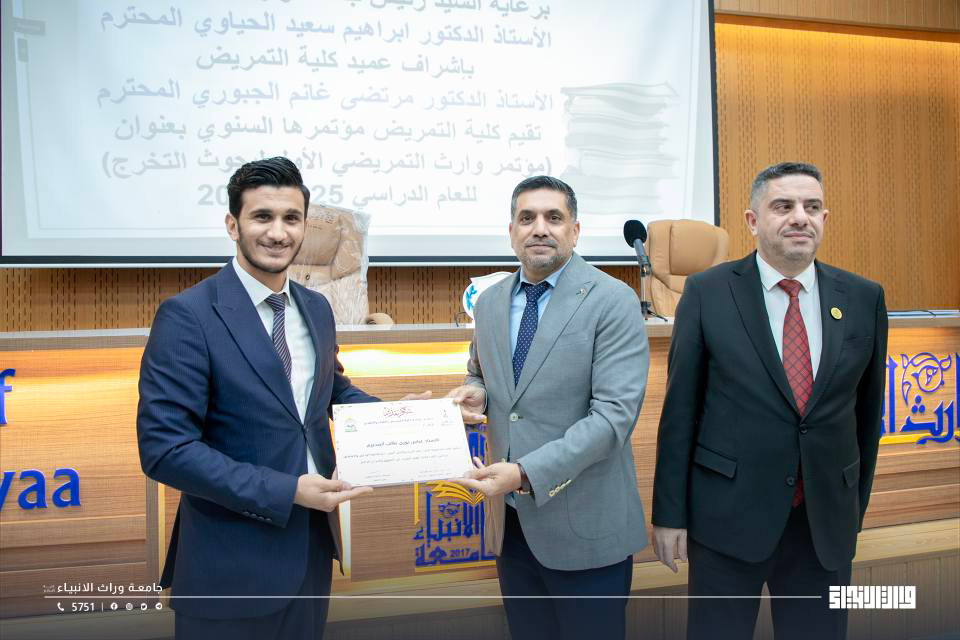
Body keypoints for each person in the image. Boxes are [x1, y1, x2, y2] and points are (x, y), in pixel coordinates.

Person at [138, 157, 380, 639]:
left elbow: (329, 393)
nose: (278, 232)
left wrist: (409, 416)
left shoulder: (316, 308)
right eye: (262, 217)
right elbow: (165, 449)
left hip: (310, 554)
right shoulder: (188, 315)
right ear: (233, 225)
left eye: (291, 218)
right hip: (229, 566)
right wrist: (287, 491)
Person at [651, 162, 888, 640]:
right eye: (783, 206)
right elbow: (680, 413)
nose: (800, 217)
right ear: (753, 221)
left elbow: (867, 416)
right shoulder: (707, 292)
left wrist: (852, 509)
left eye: (812, 207)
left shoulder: (863, 297)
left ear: (824, 219)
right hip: (726, 519)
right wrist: (670, 514)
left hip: (823, 525)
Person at [447, 176, 649, 640]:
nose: (539, 228)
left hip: (586, 531)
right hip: (513, 529)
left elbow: (613, 419)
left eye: (553, 217)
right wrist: (476, 392)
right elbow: (482, 373)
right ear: (511, 232)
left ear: (575, 231)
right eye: (527, 218)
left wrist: (523, 473)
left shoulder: (612, 300)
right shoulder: (490, 302)